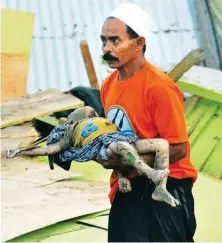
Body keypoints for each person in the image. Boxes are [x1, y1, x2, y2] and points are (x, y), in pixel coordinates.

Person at [98, 2, 198, 242]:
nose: (106, 49)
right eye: (103, 41)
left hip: (165, 188)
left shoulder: (159, 88)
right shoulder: (109, 85)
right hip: (127, 190)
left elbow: (178, 147)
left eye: (115, 41)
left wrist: (130, 161)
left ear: (139, 43)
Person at [6, 106, 179, 207]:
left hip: (124, 139)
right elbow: (48, 150)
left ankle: (160, 189)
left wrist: (122, 176)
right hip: (104, 145)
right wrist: (20, 151)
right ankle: (151, 173)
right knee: (120, 147)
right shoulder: (68, 135)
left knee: (161, 144)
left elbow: (92, 112)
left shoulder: (95, 118)